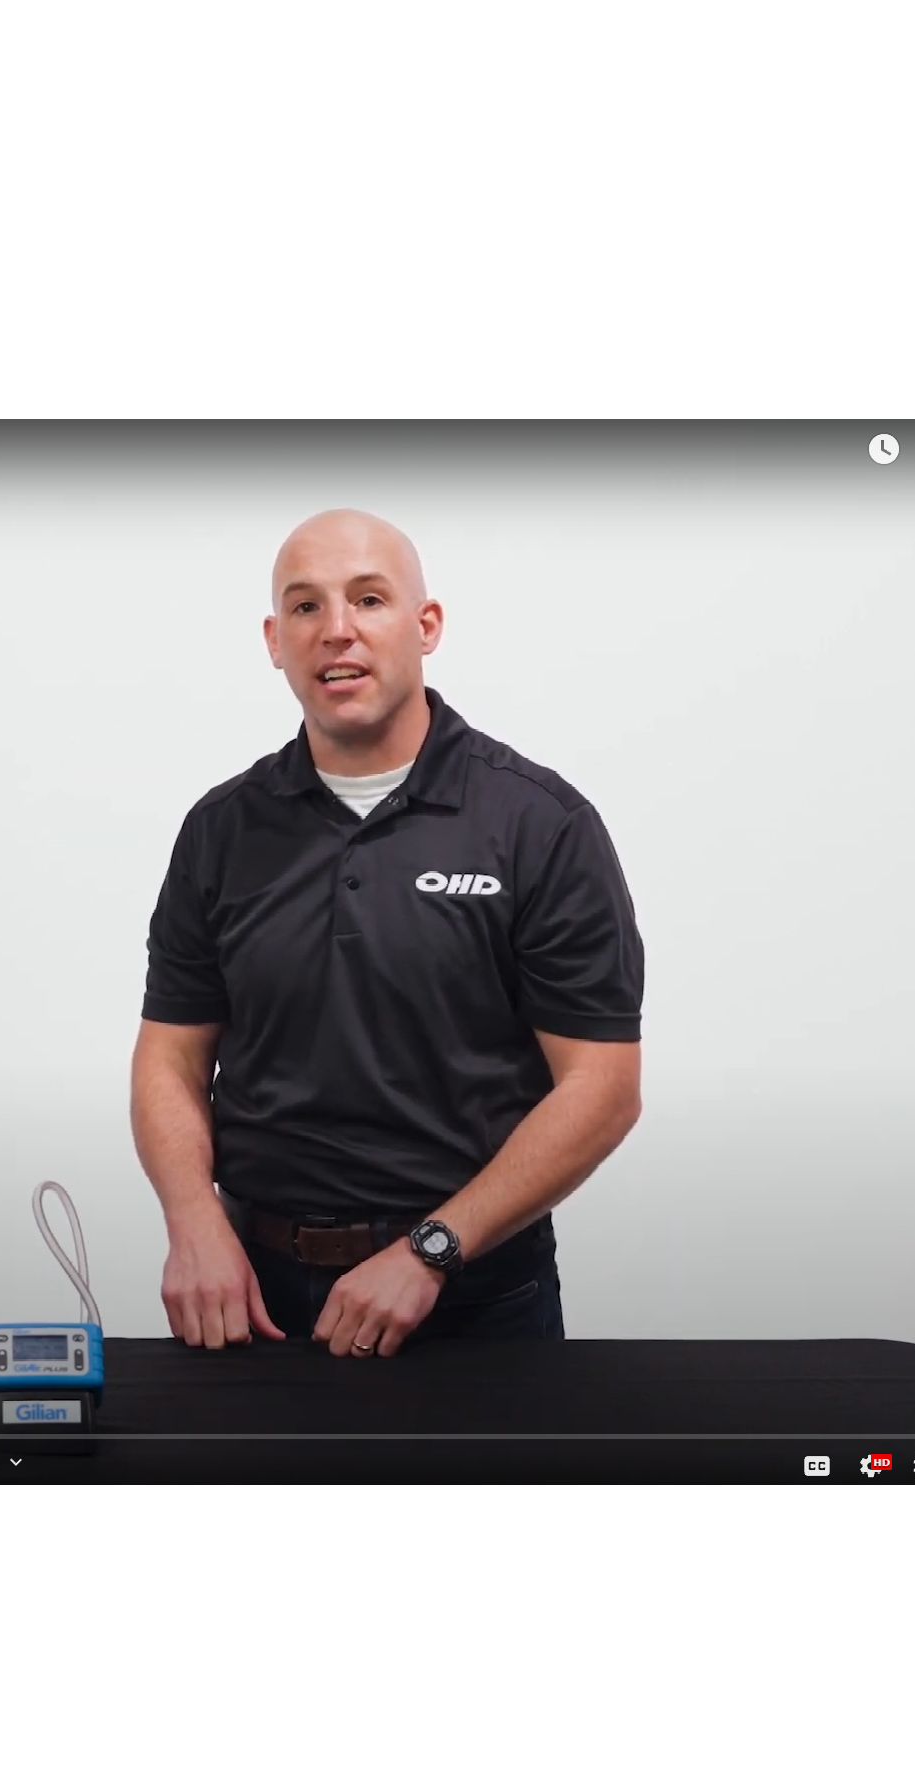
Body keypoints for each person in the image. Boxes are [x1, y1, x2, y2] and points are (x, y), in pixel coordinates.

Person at [131, 510, 643, 1357]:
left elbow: (602, 1087)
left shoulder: (537, 824)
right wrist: (193, 1224)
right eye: (305, 606)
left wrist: (429, 1251)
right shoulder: (221, 829)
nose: (336, 629)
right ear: (274, 640)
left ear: (425, 624)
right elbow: (170, 1058)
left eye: (368, 599)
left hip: (475, 1298)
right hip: (252, 1295)